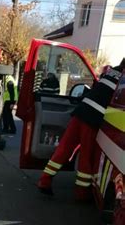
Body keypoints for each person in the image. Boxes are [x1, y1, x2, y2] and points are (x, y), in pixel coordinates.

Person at [37, 58, 125, 200]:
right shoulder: (123, 78)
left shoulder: (112, 71)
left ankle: (44, 180)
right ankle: (82, 192)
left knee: (64, 148)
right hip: (93, 118)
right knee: (86, 154)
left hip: (80, 112)